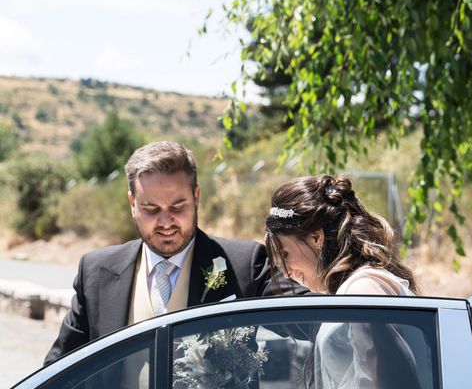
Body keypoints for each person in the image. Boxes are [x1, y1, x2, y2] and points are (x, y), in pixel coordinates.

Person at [45, 141, 305, 365]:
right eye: (151, 208)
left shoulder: (244, 263)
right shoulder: (96, 272)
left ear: (196, 196)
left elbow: (308, 319)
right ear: (132, 204)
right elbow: (59, 367)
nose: (166, 221)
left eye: (178, 206)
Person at [264, 175, 424, 389]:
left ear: (316, 238)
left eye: (285, 254)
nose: (286, 272)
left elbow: (396, 380)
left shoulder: (362, 289)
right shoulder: (350, 290)